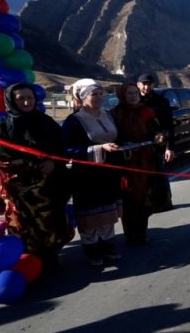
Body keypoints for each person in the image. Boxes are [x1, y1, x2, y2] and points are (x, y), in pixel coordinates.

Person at [0, 83, 73, 272]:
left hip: (49, 185)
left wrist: (54, 162)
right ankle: (30, 264)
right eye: (21, 98)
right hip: (20, 188)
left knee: (51, 222)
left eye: (30, 97)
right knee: (25, 225)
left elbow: (61, 148)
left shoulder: (45, 122)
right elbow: (1, 157)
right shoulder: (4, 126)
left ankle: (51, 259)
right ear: (12, 100)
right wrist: (32, 166)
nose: (27, 102)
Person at [62, 80, 124, 266]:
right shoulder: (74, 121)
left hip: (108, 173)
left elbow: (119, 136)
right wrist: (99, 148)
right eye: (93, 94)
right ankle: (92, 252)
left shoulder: (108, 115)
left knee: (107, 213)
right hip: (86, 175)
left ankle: (108, 249)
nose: (98, 98)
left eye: (100, 94)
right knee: (90, 216)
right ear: (82, 97)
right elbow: (67, 149)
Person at [111, 83, 165, 246]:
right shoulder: (115, 114)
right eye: (129, 93)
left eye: (135, 93)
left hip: (146, 160)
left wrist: (159, 137)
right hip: (126, 162)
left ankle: (142, 231)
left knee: (144, 197)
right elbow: (111, 135)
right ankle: (130, 233)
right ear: (122, 95)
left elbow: (157, 130)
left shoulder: (146, 111)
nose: (133, 96)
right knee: (128, 198)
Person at [137, 73, 175, 212]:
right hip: (137, 145)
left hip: (157, 143)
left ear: (153, 85)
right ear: (138, 84)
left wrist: (169, 147)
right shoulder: (133, 101)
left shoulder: (161, 101)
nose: (146, 87)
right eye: (144, 83)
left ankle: (164, 202)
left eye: (149, 84)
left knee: (159, 173)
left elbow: (169, 125)